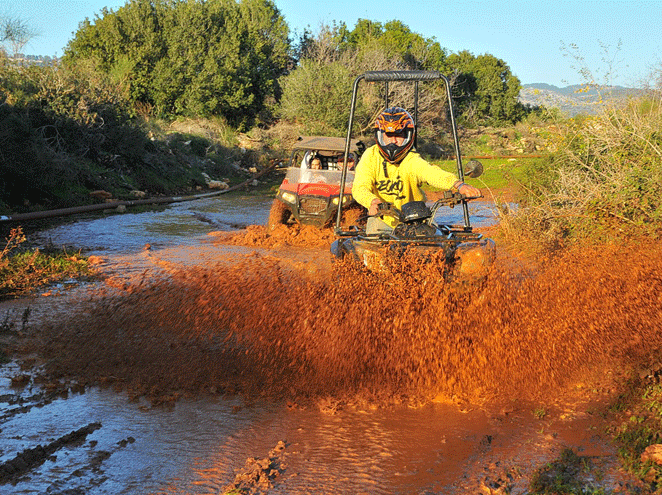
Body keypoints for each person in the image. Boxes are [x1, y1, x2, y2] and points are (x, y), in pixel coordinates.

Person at [352, 107, 482, 233]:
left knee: (440, 245)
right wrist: (372, 202)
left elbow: (430, 173)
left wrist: (458, 185)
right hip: (382, 220)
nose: (394, 141)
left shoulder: (411, 158)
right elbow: (360, 187)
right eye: (389, 135)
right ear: (380, 136)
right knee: (372, 248)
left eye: (399, 135)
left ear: (408, 136)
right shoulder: (371, 156)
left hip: (418, 220)